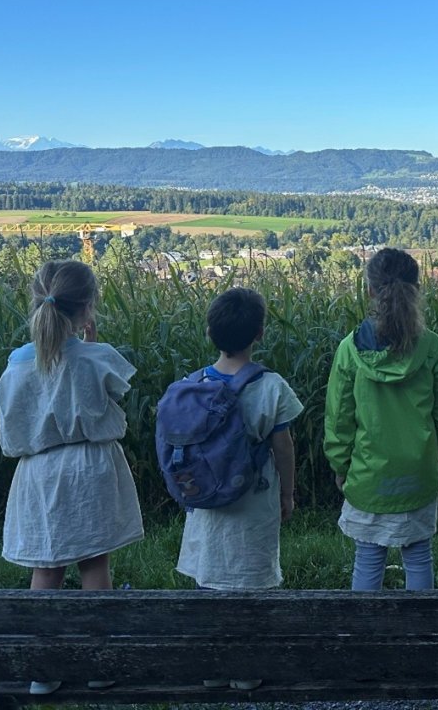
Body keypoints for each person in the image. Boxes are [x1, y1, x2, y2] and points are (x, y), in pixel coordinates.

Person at [0, 260, 144, 695]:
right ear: (87, 307)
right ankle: (99, 665)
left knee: (46, 568)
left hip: (38, 474)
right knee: (94, 564)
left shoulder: (15, 365)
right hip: (90, 469)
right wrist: (92, 344)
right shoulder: (98, 358)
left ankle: (43, 671)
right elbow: (110, 391)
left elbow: (5, 415)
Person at [175, 287, 302, 691]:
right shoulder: (271, 386)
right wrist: (287, 493)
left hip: (206, 501)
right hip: (255, 500)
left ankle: (213, 664)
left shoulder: (193, 385)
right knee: (252, 581)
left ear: (209, 332)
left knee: (209, 577)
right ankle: (246, 670)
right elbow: (284, 446)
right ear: (260, 334)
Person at [325, 248, 438, 591]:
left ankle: (367, 624)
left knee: (368, 558)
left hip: (368, 475)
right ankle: (420, 622)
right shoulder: (432, 348)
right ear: (417, 289)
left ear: (370, 290)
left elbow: (339, 419)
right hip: (420, 473)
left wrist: (341, 466)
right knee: (419, 556)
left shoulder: (350, 350)